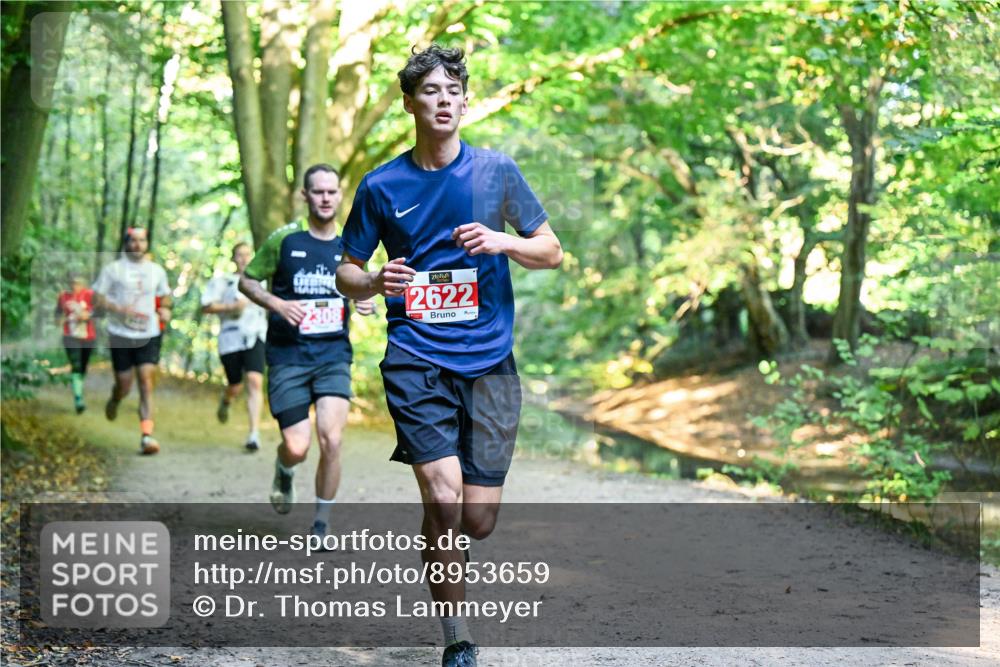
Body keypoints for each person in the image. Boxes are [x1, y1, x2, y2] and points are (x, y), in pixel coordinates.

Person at [335, 44, 562, 667]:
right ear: (410, 103)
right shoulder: (383, 185)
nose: (443, 100)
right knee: (441, 497)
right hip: (416, 357)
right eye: (430, 91)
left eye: (453, 91)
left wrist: (503, 242)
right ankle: (456, 637)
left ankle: (451, 544)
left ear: (465, 101)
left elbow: (552, 250)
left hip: (490, 362)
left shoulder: (496, 173)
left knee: (477, 519)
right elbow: (346, 274)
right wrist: (378, 283)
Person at [239, 164, 375, 537]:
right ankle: (285, 468)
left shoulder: (351, 246)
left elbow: (366, 288)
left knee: (331, 438)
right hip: (288, 356)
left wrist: (366, 301)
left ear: (340, 195)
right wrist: (277, 304)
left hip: (332, 356)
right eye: (318, 191)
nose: (326, 198)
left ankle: (321, 522)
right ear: (305, 195)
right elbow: (247, 280)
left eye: (332, 192)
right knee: (297, 446)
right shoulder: (285, 240)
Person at [92, 227, 172, 455]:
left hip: (149, 333)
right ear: (126, 243)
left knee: (146, 382)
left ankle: (147, 436)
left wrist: (165, 310)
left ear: (147, 243)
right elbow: (97, 298)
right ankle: (116, 398)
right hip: (120, 334)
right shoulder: (113, 270)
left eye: (142, 240)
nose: (138, 244)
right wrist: (118, 308)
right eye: (133, 240)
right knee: (125, 385)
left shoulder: (156, 270)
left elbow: (165, 296)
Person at [201, 242, 268, 451]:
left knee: (255, 381)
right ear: (233, 258)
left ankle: (253, 434)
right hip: (230, 338)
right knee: (236, 385)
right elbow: (206, 306)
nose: (244, 259)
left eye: (248, 254)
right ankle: (227, 399)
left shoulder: (262, 281)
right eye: (240, 255)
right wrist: (232, 307)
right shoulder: (222, 282)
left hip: (256, 335)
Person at [55, 275, 97, 414]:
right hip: (70, 336)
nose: (75, 286)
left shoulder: (90, 295)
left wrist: (88, 315)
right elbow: (57, 314)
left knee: (83, 366)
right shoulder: (63, 297)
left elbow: (100, 310)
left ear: (84, 284)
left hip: (88, 336)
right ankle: (78, 399)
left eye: (78, 283)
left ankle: (79, 386)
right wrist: (58, 320)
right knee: (76, 364)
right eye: (73, 283)